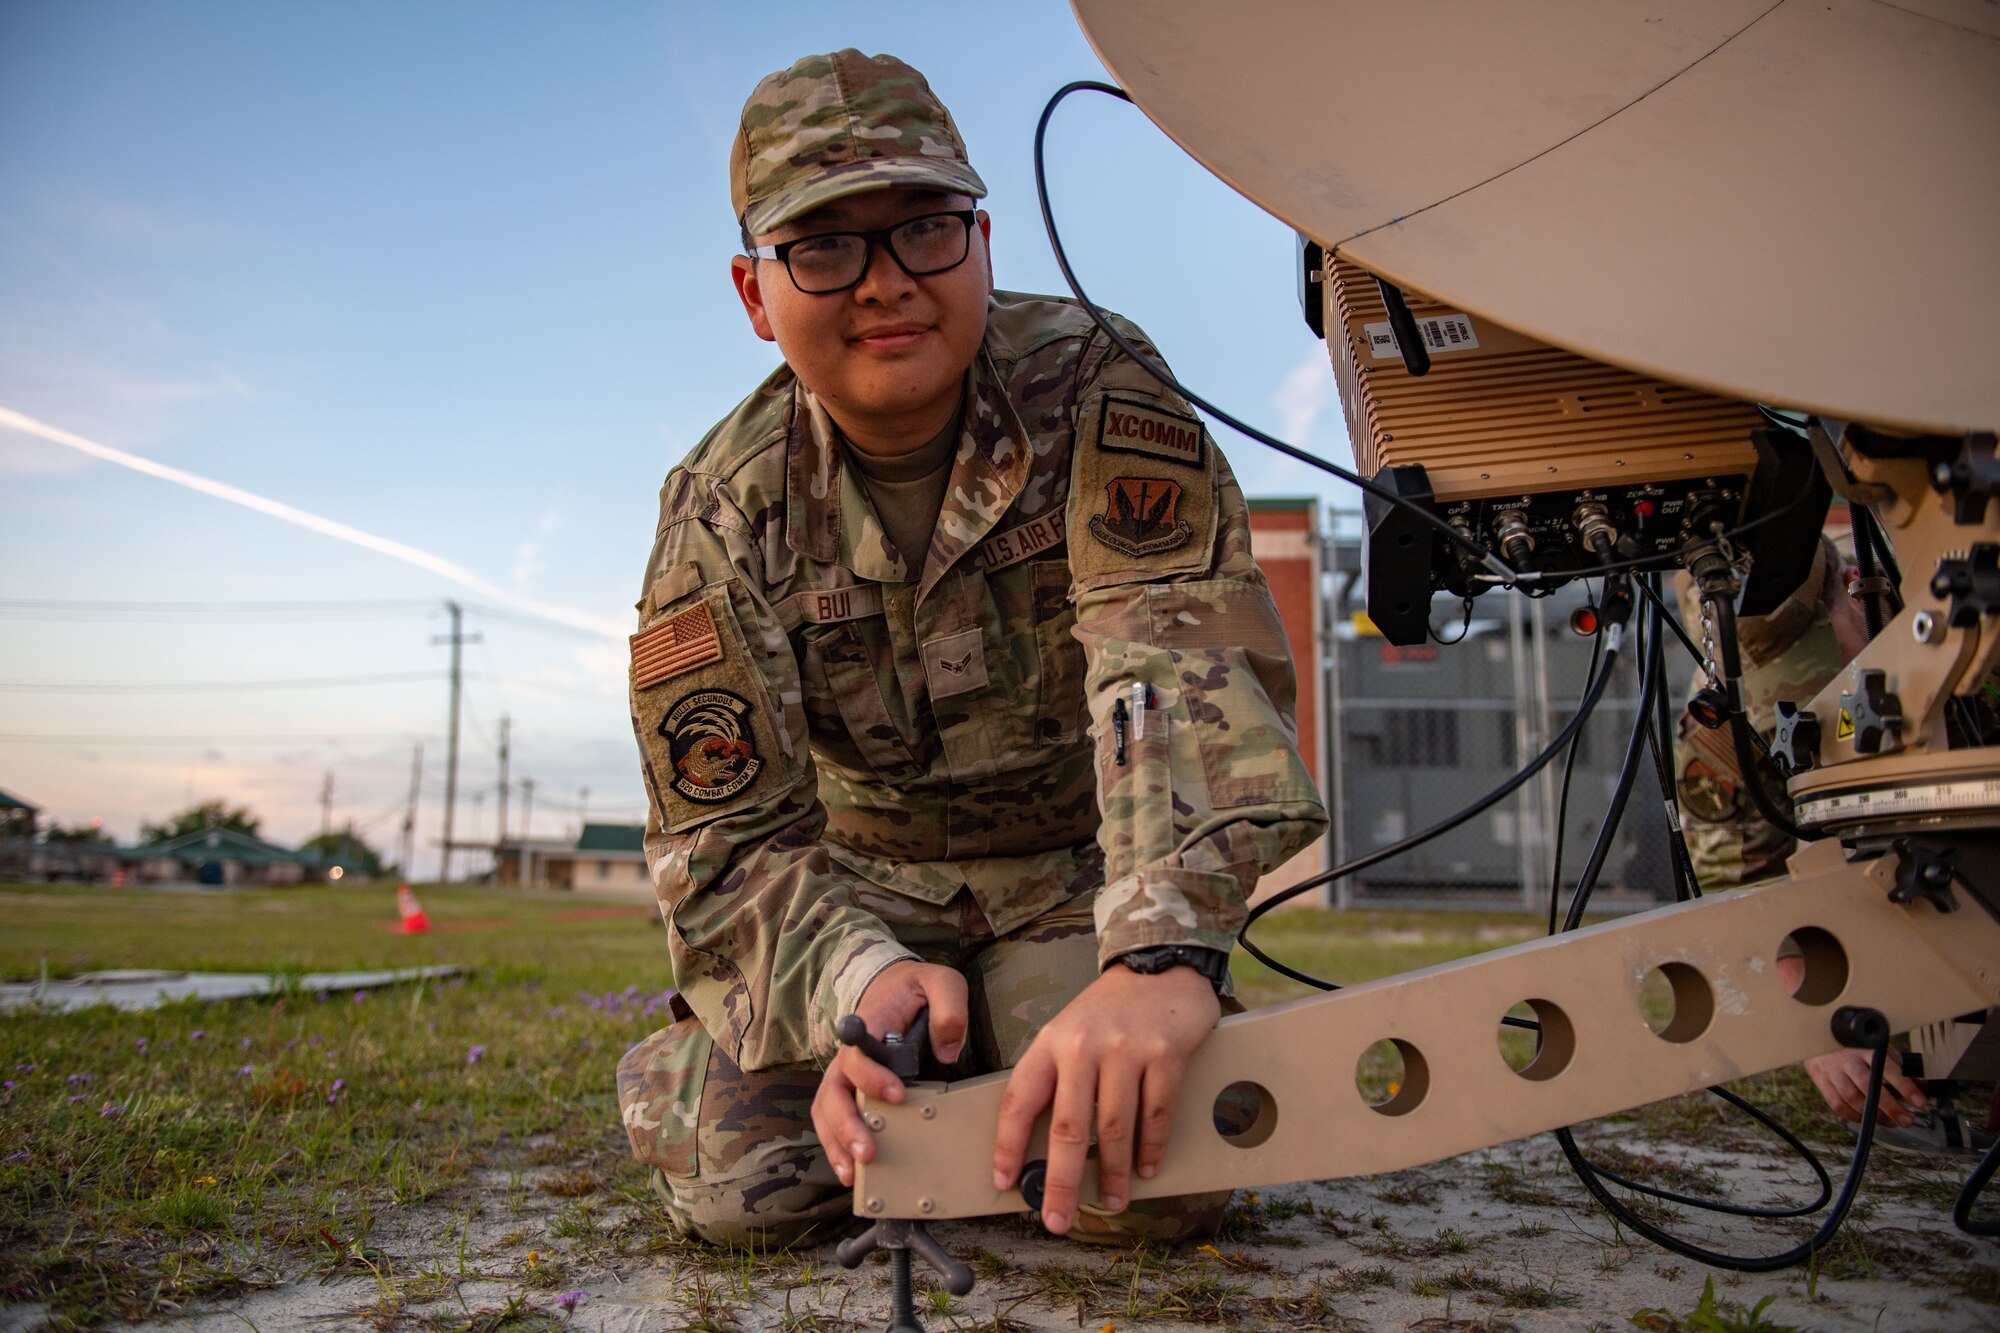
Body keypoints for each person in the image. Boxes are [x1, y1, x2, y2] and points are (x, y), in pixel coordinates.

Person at [616, 50, 1326, 1249]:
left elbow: (1172, 659)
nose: (886, 284)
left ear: (983, 240)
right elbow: (724, 836)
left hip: (1069, 882)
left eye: (924, 229)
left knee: (1150, 1179)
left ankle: (1024, 1036)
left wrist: (1155, 958)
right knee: (751, 1188)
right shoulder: (721, 508)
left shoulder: (1094, 383)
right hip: (862, 903)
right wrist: (854, 985)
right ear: (754, 293)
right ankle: (872, 1053)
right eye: (824, 247)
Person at [1673, 536, 1931, 1127]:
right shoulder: (1724, 732)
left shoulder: (1933, 613)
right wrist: (1817, 1028)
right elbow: (1737, 893)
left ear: (1854, 597)